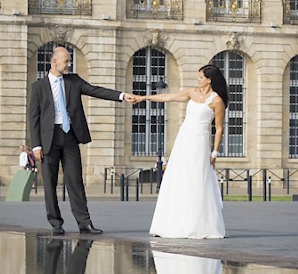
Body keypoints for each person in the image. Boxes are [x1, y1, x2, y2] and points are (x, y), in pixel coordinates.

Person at [29, 46, 135, 236]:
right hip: (48, 140)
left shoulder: (73, 80)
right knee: (49, 182)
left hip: (69, 137)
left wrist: (121, 96)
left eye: (70, 61)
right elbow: (33, 118)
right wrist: (36, 145)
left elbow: (95, 91)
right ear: (54, 62)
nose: (70, 64)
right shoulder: (38, 87)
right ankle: (56, 223)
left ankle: (84, 223)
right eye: (67, 61)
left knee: (76, 181)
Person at [133, 63, 228, 238]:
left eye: (201, 77)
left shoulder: (217, 101)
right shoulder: (192, 92)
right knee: (177, 177)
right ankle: (171, 224)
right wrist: (144, 98)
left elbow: (219, 128)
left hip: (199, 143)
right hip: (184, 139)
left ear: (209, 80)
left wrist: (214, 153)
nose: (198, 80)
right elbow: (168, 97)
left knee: (195, 180)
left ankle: (196, 225)